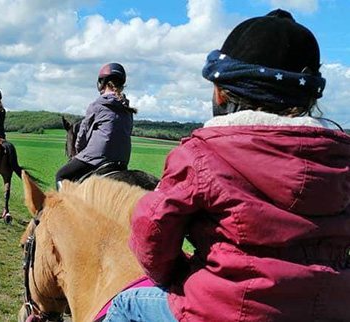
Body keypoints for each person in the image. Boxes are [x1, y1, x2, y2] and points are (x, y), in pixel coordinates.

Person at [105, 9, 350, 322]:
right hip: (332, 309)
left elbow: (151, 228)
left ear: (220, 93)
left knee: (125, 305)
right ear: (310, 99)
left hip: (225, 309)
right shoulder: (341, 160)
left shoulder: (201, 153)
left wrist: (176, 275)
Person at [55, 63, 136, 189]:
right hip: (122, 161)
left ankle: (63, 208)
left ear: (102, 83)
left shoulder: (97, 105)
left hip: (96, 158)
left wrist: (79, 152)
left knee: (61, 175)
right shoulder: (128, 110)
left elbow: (82, 134)